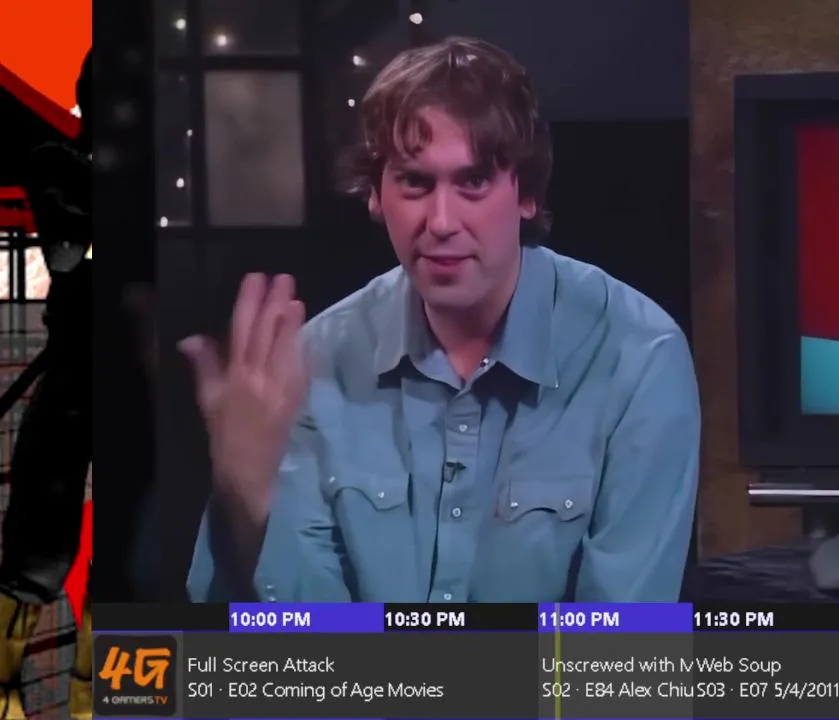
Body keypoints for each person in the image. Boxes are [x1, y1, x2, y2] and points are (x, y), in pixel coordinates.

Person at [185, 37, 700, 603]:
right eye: (415, 182)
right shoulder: (315, 361)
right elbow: (314, 644)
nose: (442, 222)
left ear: (526, 194)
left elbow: (616, 650)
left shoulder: (638, 360)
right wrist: (252, 498)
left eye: (473, 181)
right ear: (376, 195)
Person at [0, 50, 93, 720]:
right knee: (37, 548)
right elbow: (64, 250)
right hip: (76, 372)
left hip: (124, 370)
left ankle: (95, 695)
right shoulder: (59, 161)